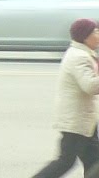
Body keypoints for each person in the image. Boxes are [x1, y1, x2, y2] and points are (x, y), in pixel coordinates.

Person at [31, 18, 99, 178]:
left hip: (84, 121)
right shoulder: (79, 57)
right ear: (85, 36)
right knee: (65, 161)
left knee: (93, 161)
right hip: (76, 122)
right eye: (96, 32)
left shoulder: (83, 53)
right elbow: (90, 86)